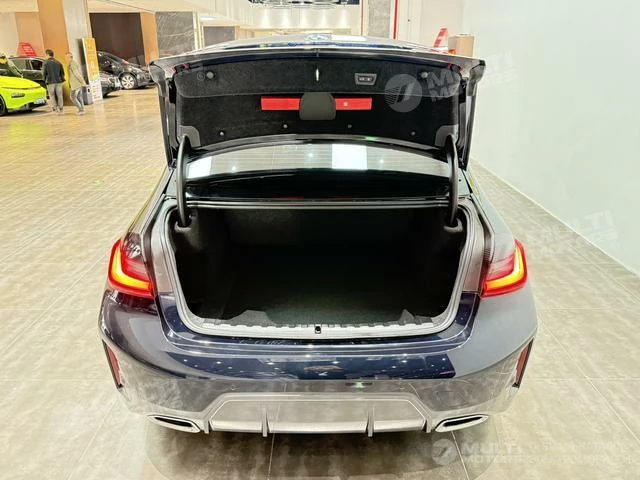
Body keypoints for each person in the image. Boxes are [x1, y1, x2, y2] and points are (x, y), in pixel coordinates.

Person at [42, 49, 65, 114]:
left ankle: (55, 109)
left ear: (47, 54)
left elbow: (44, 73)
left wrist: (44, 80)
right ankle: (61, 108)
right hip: (59, 81)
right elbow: (62, 73)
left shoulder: (45, 63)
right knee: (59, 95)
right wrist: (61, 79)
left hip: (50, 81)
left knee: (52, 95)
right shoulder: (58, 62)